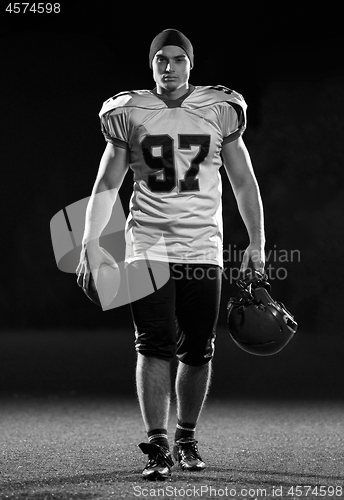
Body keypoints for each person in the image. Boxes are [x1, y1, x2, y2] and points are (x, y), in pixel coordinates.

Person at [76, 28, 265, 480]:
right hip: (148, 243)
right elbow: (107, 184)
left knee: (199, 349)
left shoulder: (220, 108)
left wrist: (257, 243)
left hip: (203, 244)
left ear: (191, 64)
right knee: (154, 343)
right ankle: (157, 444)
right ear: (151, 64)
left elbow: (243, 182)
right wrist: (89, 240)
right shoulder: (129, 111)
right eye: (160, 58)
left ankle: (186, 436)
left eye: (177, 59)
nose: (168, 66)